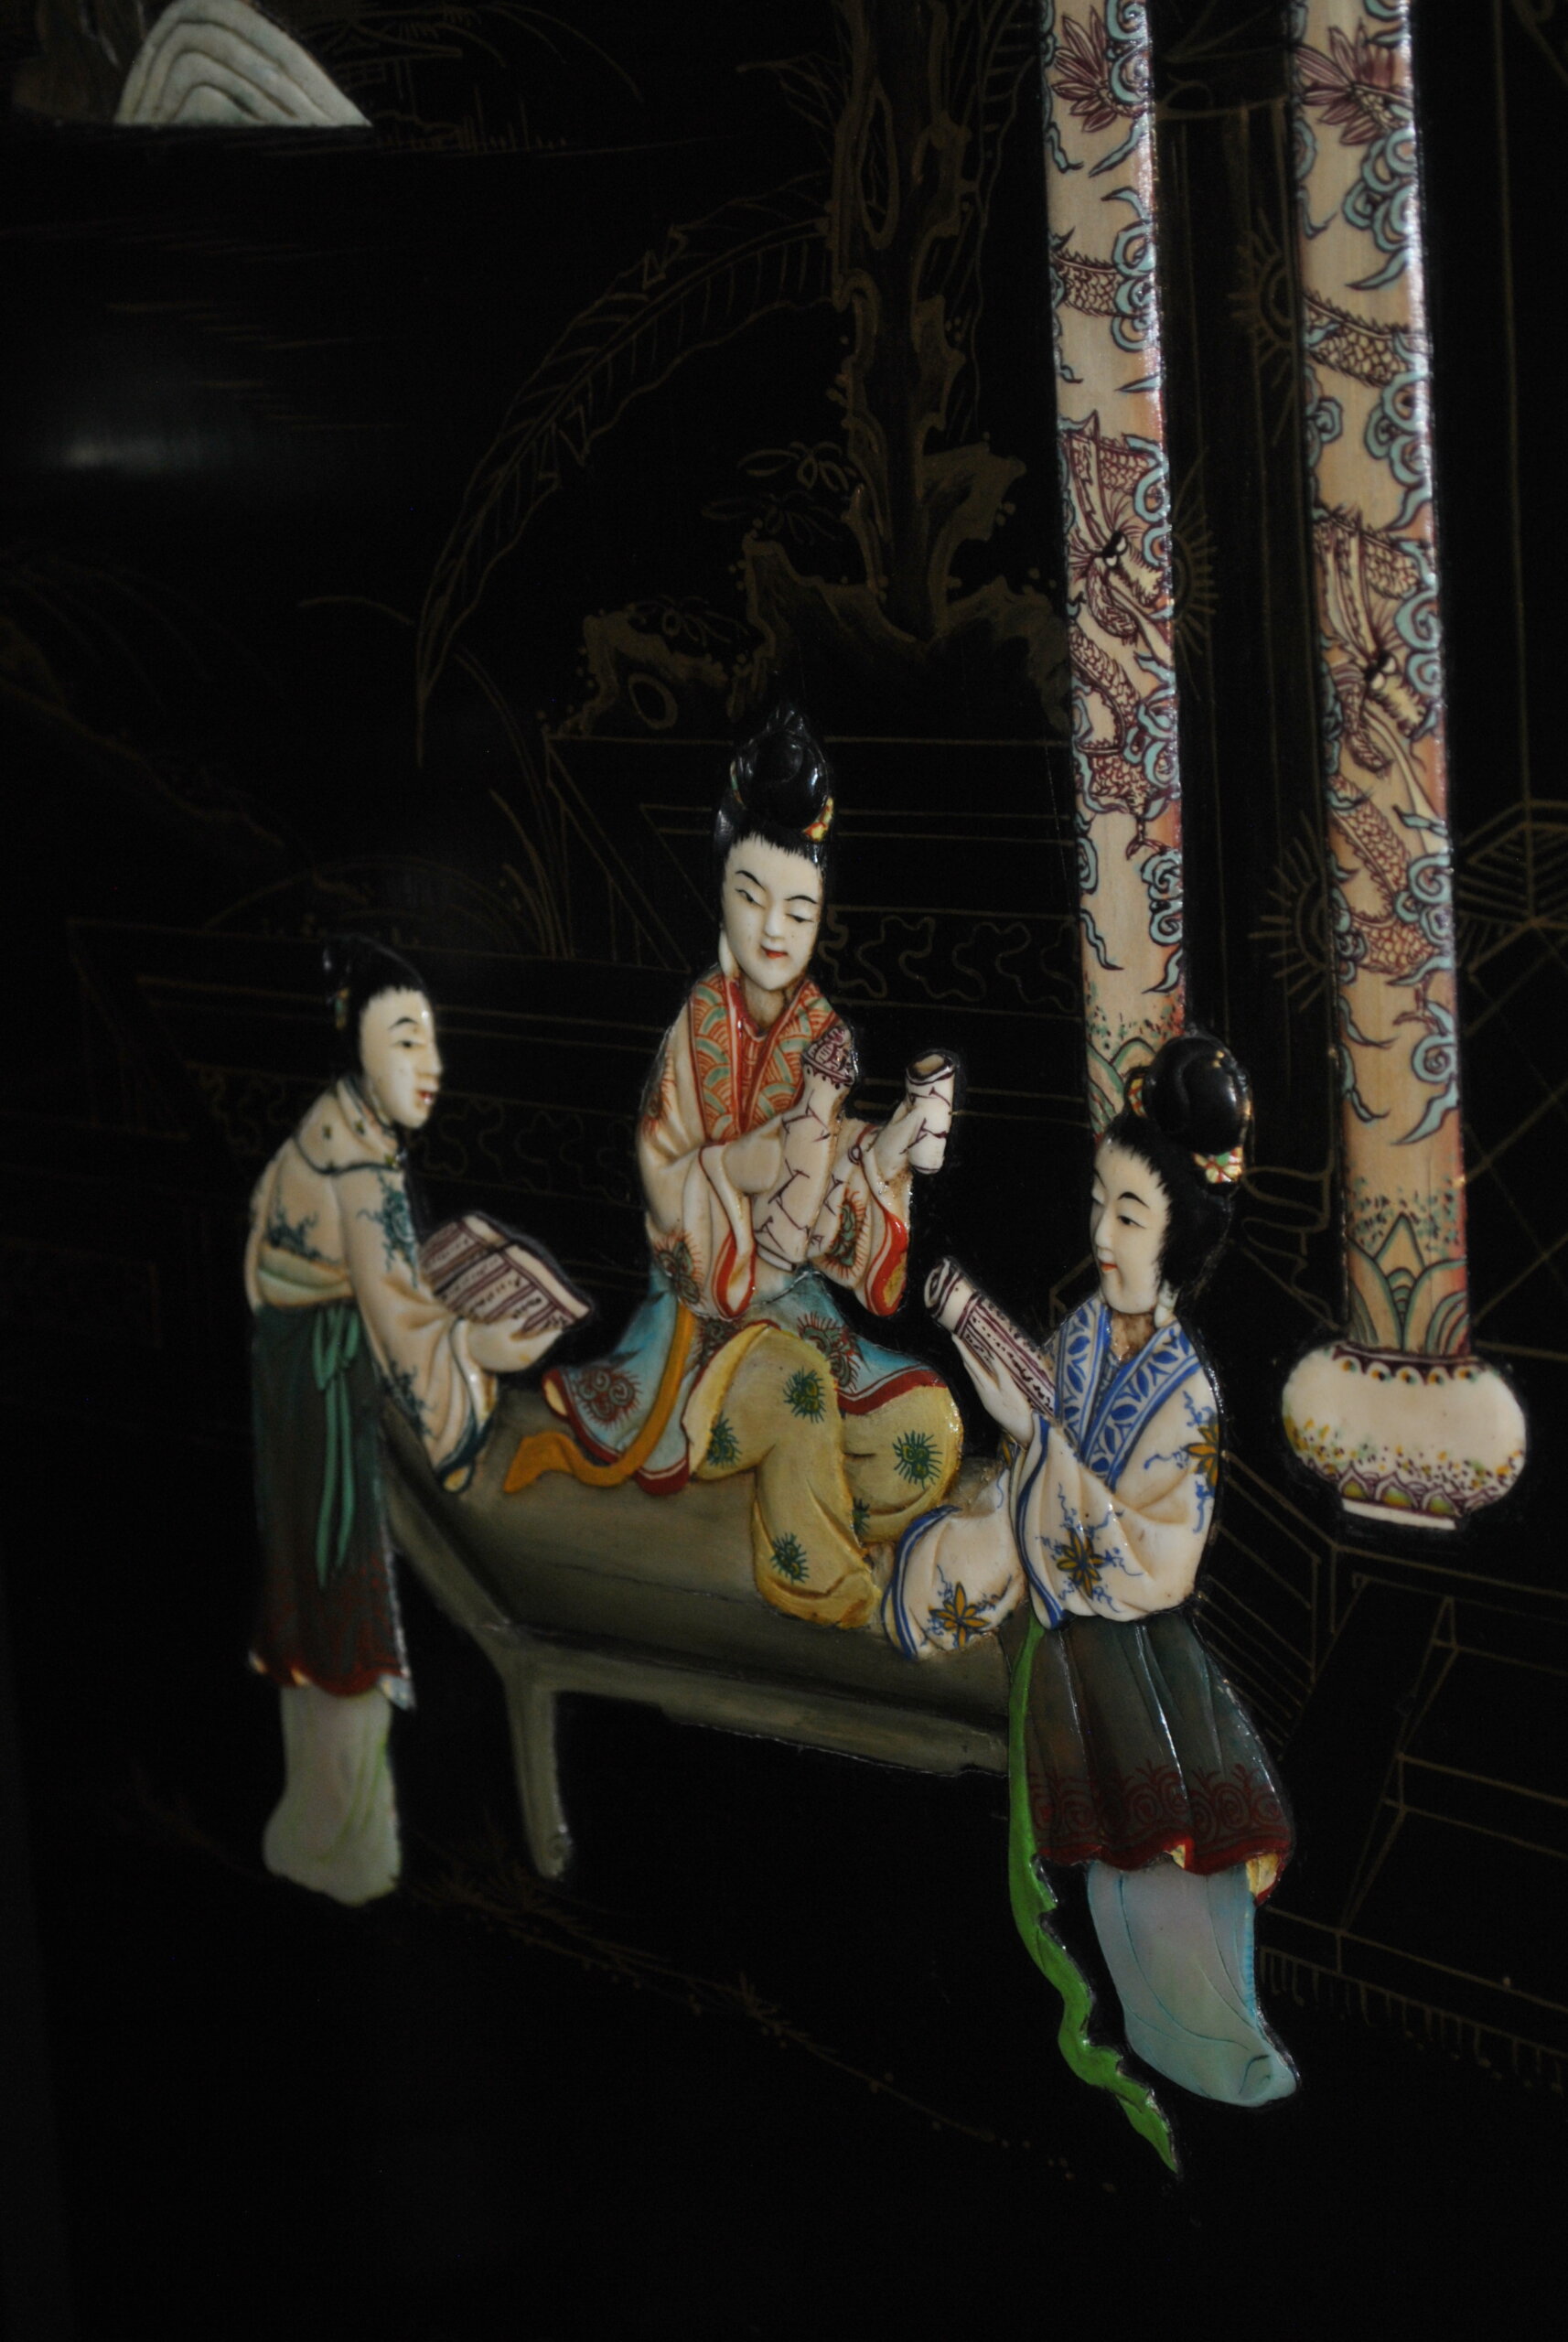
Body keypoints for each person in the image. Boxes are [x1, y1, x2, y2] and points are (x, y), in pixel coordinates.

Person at [886, 1031, 1296, 2109]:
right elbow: (1041, 1451)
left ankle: (1212, 2040)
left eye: (1129, 1215)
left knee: (1164, 1860)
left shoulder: (1188, 1389)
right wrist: (1001, 1385)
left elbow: (1160, 1562)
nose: (1102, 1235)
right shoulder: (1075, 1338)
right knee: (1109, 1871)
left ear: (1178, 1239)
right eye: (1098, 1205)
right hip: (1071, 1623)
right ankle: (1149, 2029)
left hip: (1140, 1641)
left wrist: (1045, 1448)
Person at [507, 702, 963, 1629]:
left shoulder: (822, 1034)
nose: (773, 929)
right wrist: (739, 1165)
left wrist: (885, 1156)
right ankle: (828, 1591)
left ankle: (822, 1510)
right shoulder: (697, 1027)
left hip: (801, 1310)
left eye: (799, 909)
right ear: (721, 890)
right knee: (799, 1394)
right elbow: (665, 1172)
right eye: (752, 896)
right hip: (698, 1330)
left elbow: (832, 1231)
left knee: (925, 1428)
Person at [244, 936, 560, 1905]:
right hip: (327, 1408)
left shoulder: (332, 1132)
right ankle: (341, 1852)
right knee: (342, 1623)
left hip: (305, 1391)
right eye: (406, 1041)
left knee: (321, 1629)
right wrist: (479, 1349)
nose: (432, 1066)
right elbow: (401, 1335)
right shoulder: (360, 1171)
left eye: (431, 1040)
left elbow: (383, 1295)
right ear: (357, 1052)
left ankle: (326, 1836)